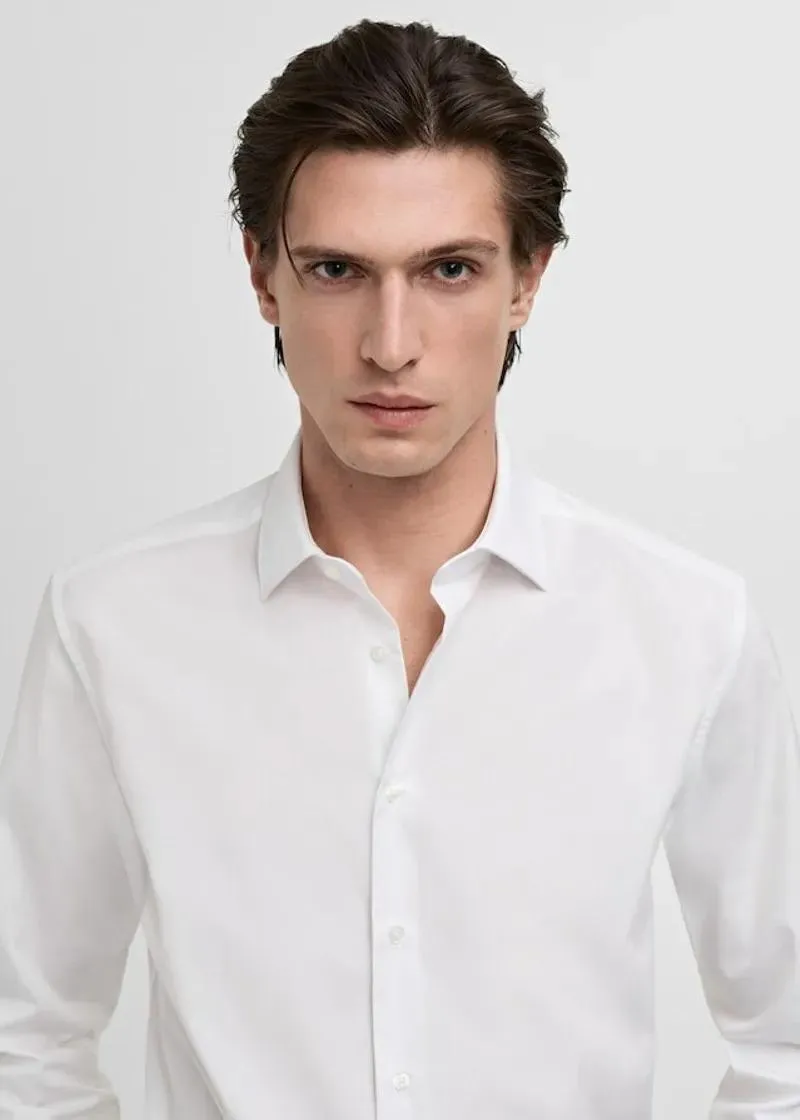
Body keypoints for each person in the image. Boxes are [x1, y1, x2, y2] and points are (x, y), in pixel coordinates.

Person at [1, 16, 798, 1119]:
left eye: (449, 270)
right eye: (336, 269)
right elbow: (25, 1037)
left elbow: (784, 1044)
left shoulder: (684, 626)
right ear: (262, 275)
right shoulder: (115, 625)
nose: (389, 343)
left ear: (526, 279)